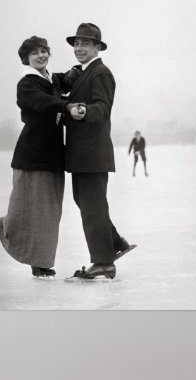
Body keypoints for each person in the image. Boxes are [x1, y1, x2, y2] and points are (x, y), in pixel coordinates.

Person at [0, 36, 68, 279]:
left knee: (49, 211)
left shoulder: (50, 80)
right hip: (33, 155)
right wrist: (66, 105)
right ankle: (39, 261)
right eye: (35, 53)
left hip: (52, 155)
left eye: (44, 51)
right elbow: (43, 102)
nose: (41, 55)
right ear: (26, 59)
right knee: (33, 210)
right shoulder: (28, 83)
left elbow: (60, 85)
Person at [59, 23, 136, 281]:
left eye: (85, 44)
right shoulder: (84, 72)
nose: (79, 48)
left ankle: (104, 262)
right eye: (76, 44)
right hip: (84, 154)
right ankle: (114, 243)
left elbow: (102, 108)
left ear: (97, 48)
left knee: (92, 207)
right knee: (87, 203)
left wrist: (82, 110)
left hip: (92, 154)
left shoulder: (100, 73)